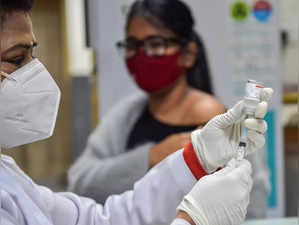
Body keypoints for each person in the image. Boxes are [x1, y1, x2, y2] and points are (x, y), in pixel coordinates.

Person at [0, 0, 272, 224]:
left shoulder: (6, 174)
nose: (34, 72)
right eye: (15, 59)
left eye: (156, 44)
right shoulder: (125, 116)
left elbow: (98, 220)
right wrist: (192, 218)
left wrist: (194, 159)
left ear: (189, 53)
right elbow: (82, 180)